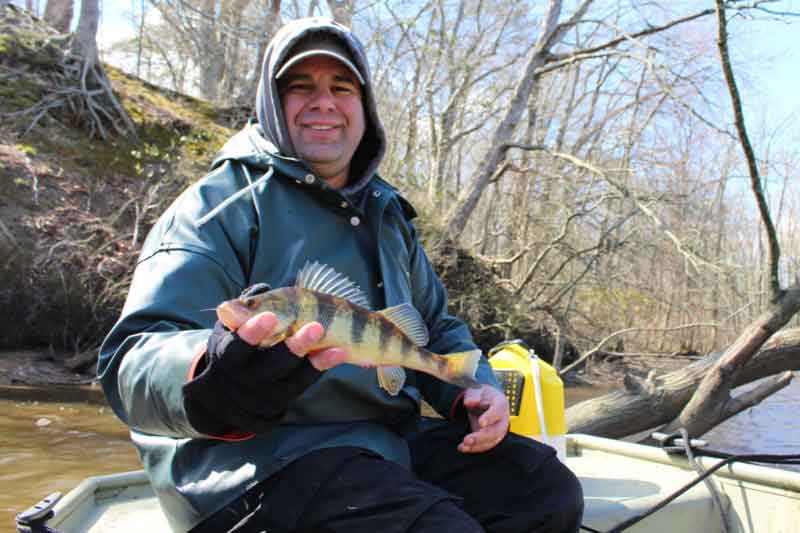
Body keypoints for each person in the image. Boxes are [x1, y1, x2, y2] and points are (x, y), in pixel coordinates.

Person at [98, 16, 583, 533]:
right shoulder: (218, 206)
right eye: (300, 86)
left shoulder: (388, 215)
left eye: (341, 87)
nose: (323, 102)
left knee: (544, 492)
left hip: (384, 443)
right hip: (257, 466)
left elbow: (436, 329)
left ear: (364, 107)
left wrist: (474, 389)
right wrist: (206, 373)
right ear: (272, 102)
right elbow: (130, 360)